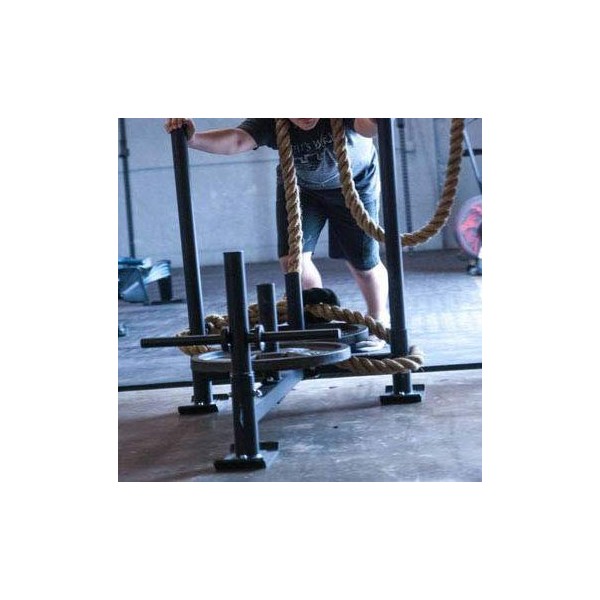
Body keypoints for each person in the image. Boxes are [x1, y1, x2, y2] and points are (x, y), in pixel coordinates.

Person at [164, 118, 390, 350]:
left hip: (355, 183)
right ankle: (318, 318)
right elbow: (238, 140)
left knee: (363, 264)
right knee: (293, 262)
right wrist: (193, 139)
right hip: (302, 188)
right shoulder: (272, 120)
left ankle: (378, 319)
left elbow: (367, 128)